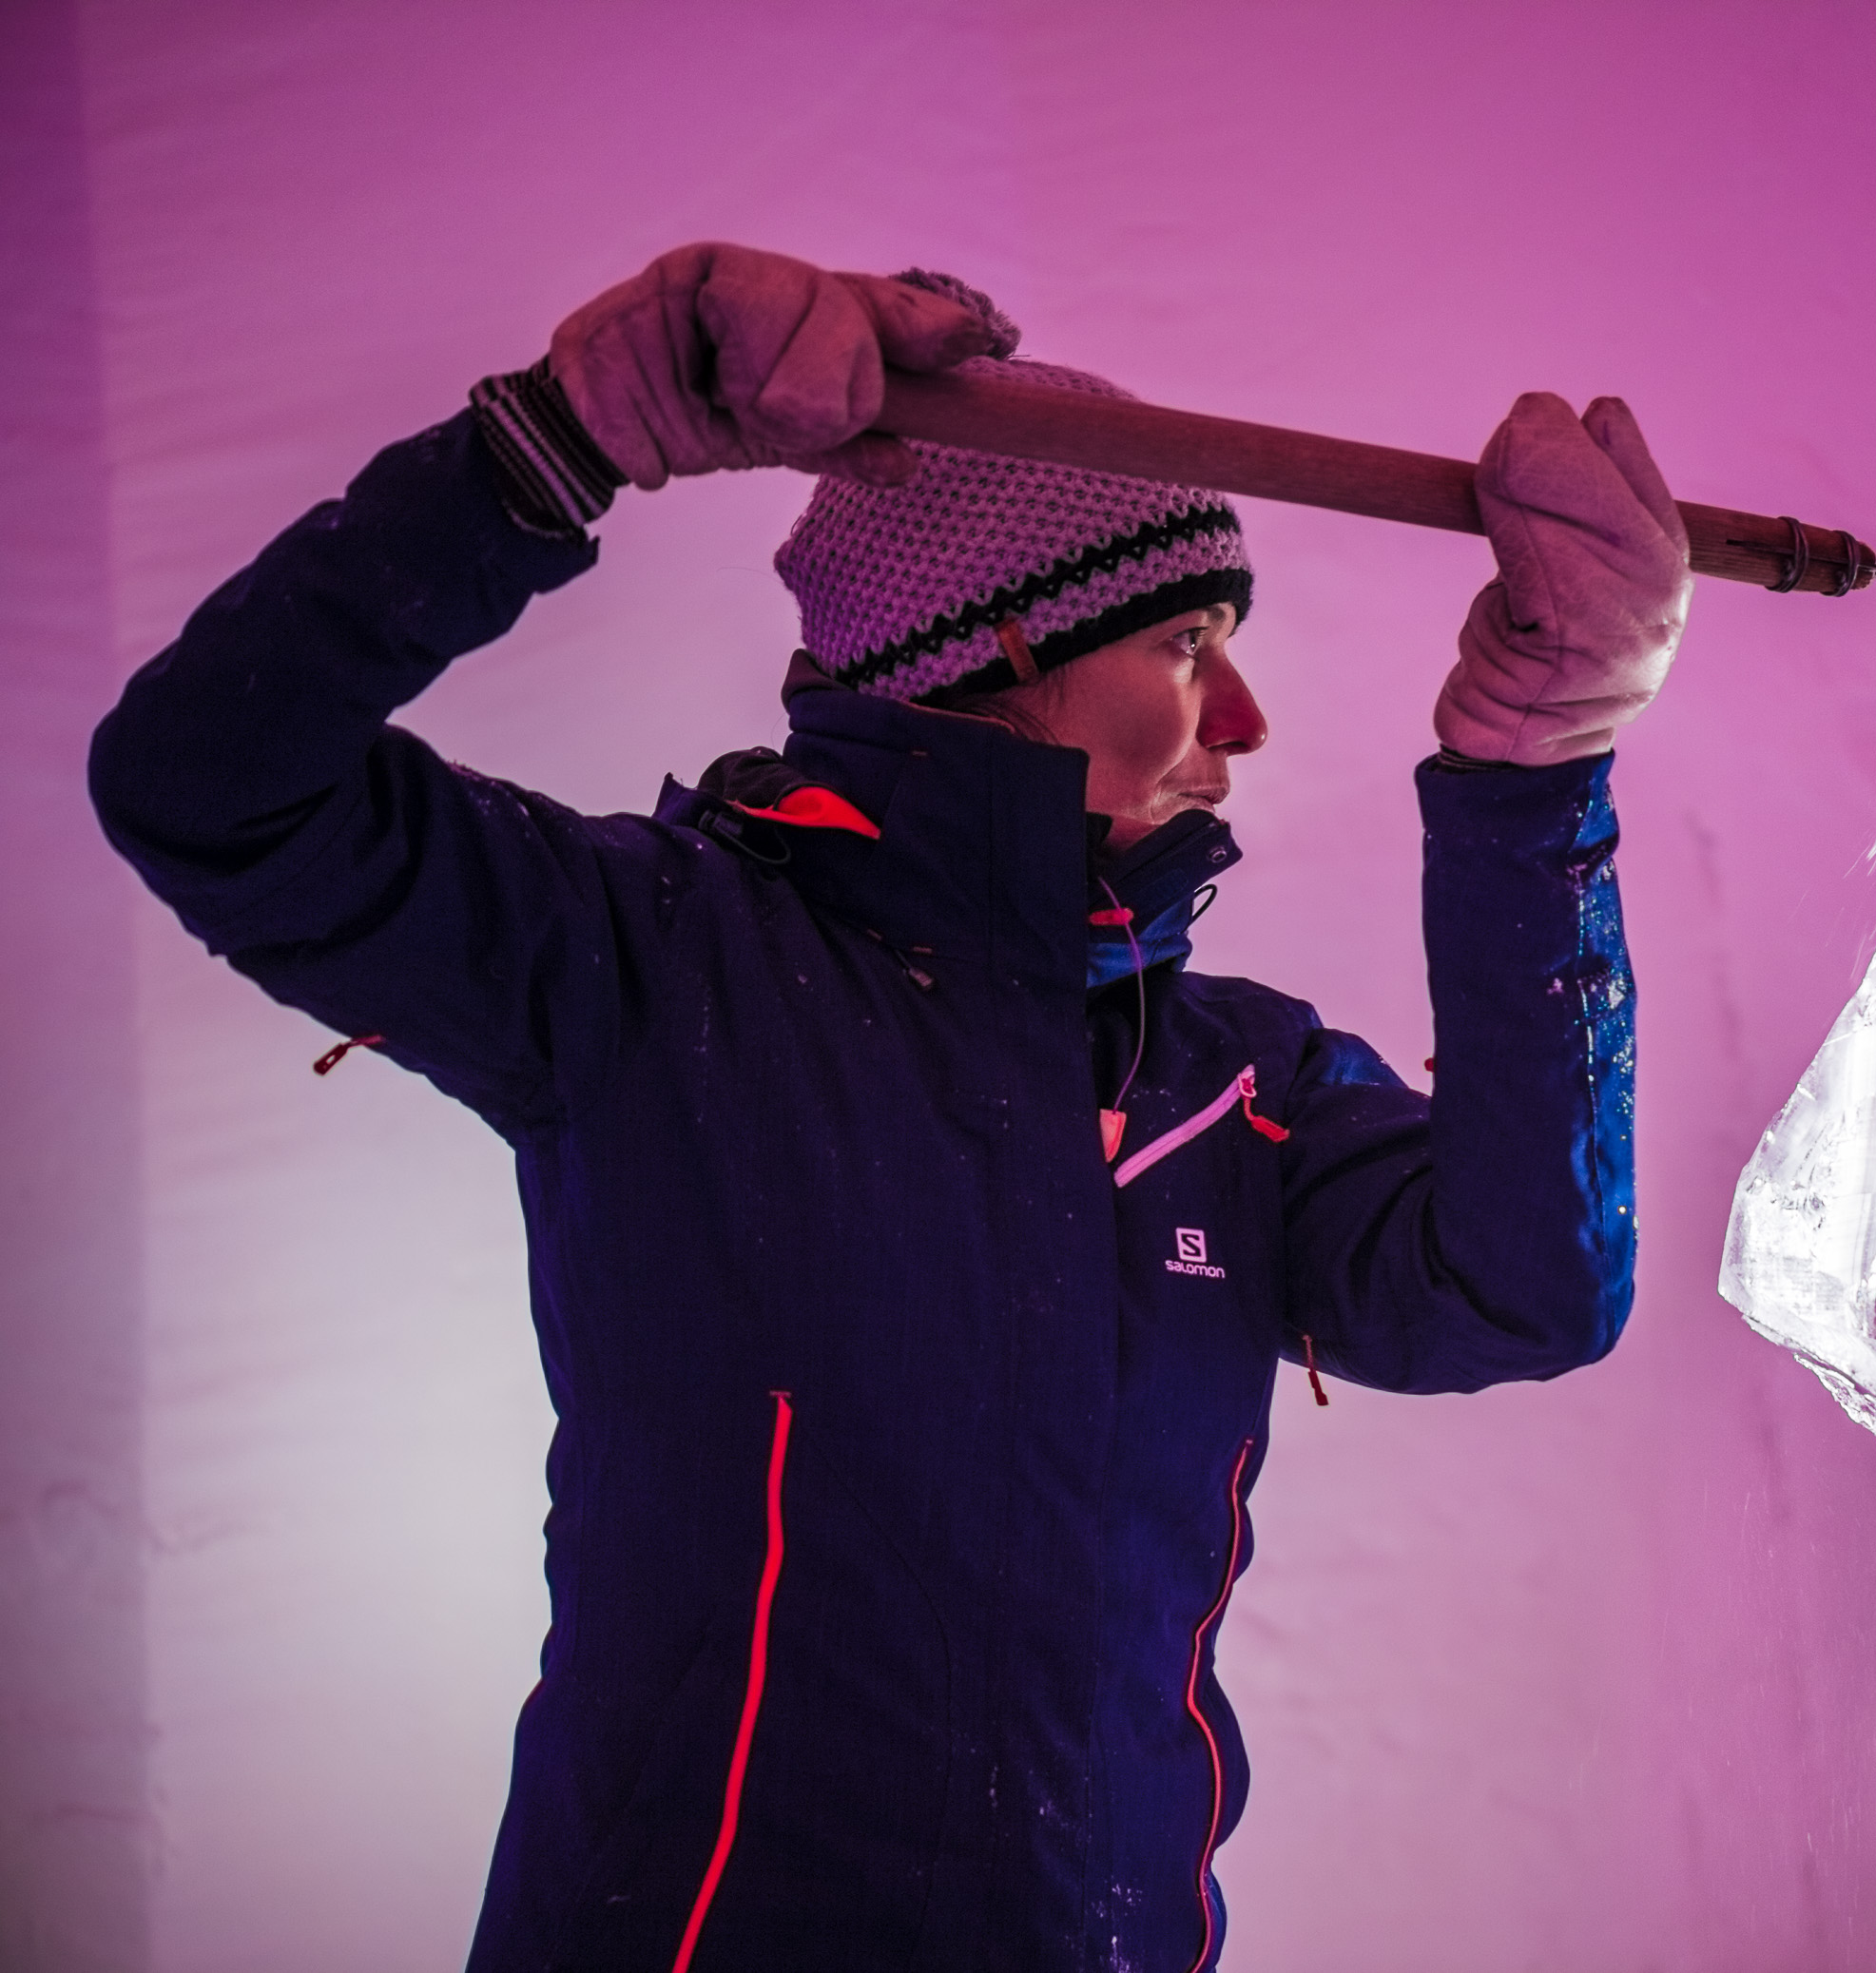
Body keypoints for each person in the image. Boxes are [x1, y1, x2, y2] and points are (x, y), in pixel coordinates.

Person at [87, 242, 1689, 1973]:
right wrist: (551, 449)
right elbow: (206, 782)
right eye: (1182, 640)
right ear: (997, 645)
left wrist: (1534, 786)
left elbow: (1522, 1286)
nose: (1243, 715)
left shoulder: (1228, 1078)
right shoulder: (644, 961)